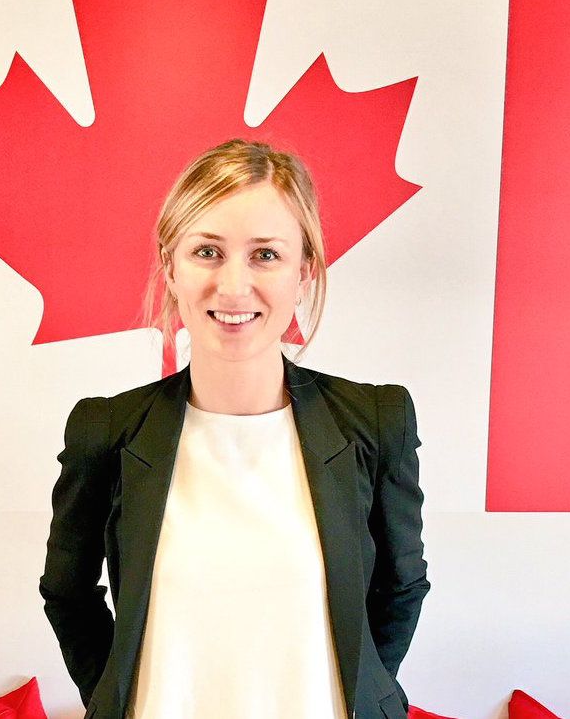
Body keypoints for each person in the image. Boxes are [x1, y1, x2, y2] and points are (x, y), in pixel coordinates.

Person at [40, 139, 430, 719]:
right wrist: (115, 700)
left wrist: (358, 692)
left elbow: (401, 589)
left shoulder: (376, 421)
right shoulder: (106, 431)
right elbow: (67, 594)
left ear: (305, 270)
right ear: (170, 267)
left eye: (265, 255)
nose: (232, 285)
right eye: (207, 251)